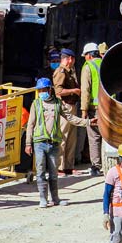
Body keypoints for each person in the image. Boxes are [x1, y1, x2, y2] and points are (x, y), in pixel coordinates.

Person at [24, 77, 96, 208]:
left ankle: (55, 198)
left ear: (49, 89)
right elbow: (30, 124)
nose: (41, 93)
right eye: (39, 90)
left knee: (53, 173)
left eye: (43, 90)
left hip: (54, 144)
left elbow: (71, 118)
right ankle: (43, 199)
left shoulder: (58, 104)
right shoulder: (36, 104)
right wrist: (28, 143)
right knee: (40, 172)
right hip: (39, 143)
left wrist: (88, 122)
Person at [52, 48, 81, 177]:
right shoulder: (61, 72)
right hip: (64, 107)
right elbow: (58, 92)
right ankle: (59, 167)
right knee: (62, 137)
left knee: (71, 138)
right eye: (72, 59)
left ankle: (69, 166)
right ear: (69, 59)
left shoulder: (70, 72)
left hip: (72, 106)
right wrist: (73, 91)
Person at [81, 42, 104, 176]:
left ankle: (96, 166)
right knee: (107, 136)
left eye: (85, 56)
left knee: (94, 136)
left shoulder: (88, 67)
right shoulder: (106, 63)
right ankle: (111, 162)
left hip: (94, 108)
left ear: (89, 55)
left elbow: (86, 90)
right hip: (109, 107)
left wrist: (84, 110)